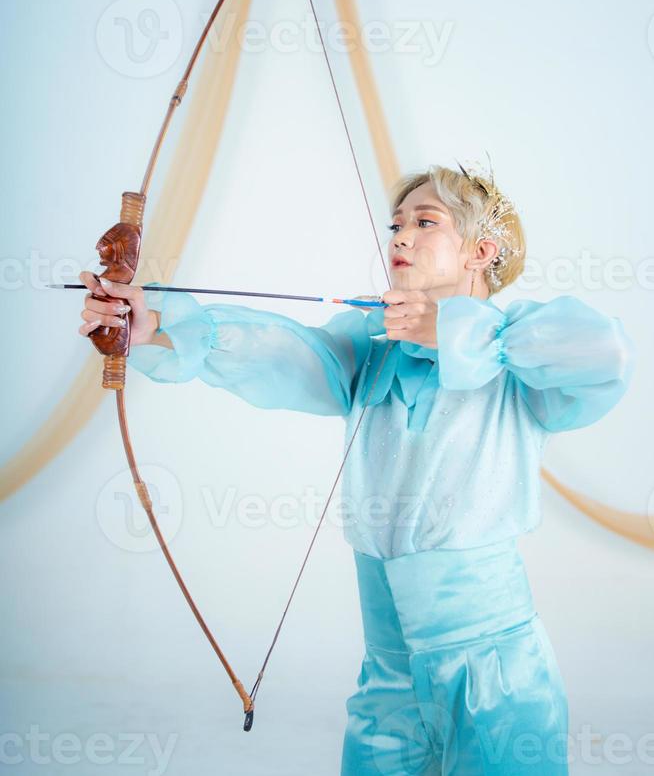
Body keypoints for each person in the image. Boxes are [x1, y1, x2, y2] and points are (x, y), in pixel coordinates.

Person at [78, 163, 635, 775]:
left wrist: (458, 331)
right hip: (387, 674)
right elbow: (287, 351)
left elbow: (605, 355)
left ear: (482, 250)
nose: (399, 236)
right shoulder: (372, 350)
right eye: (396, 223)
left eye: (427, 223)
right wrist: (153, 328)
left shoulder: (518, 357)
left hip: (495, 674)